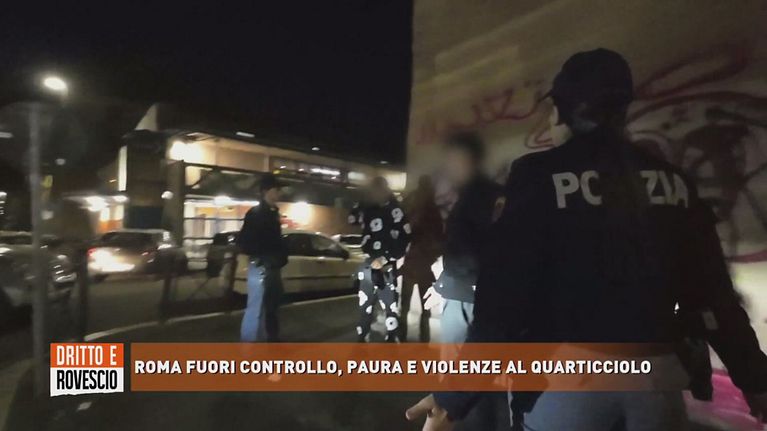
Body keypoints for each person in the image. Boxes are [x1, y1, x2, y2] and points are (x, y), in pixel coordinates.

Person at [406, 48, 767, 431]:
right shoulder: (673, 182)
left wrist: (454, 398)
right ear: (622, 111)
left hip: (568, 382)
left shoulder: (538, 176)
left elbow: (503, 301)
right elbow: (714, 295)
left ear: (561, 113)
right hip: (657, 383)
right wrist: (755, 380)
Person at [350, 176, 411, 342]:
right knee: (365, 307)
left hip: (386, 266)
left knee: (390, 308)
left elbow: (406, 238)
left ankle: (392, 342)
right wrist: (362, 200)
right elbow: (352, 218)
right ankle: (362, 340)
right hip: (368, 264)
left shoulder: (395, 210)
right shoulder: (368, 208)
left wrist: (386, 258)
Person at [236, 173, 288, 342]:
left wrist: (279, 257)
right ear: (266, 191)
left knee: (270, 306)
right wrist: (262, 257)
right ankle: (250, 346)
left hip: (271, 266)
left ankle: (267, 341)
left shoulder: (272, 213)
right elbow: (245, 241)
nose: (279, 193)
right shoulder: (257, 214)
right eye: (276, 189)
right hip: (261, 266)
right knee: (256, 307)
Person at [400, 175, 443, 342]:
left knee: (404, 307)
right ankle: (424, 340)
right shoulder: (433, 211)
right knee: (426, 309)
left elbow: (404, 233)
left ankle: (402, 337)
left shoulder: (413, 208)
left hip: (411, 264)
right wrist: (432, 256)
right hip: (424, 266)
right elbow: (440, 239)